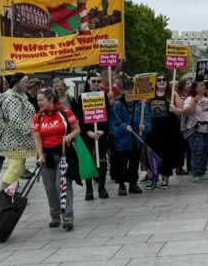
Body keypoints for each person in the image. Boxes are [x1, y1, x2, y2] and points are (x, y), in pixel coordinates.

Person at [32, 87, 81, 231]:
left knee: (63, 185)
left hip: (64, 154)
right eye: (38, 100)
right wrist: (40, 155)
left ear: (51, 100)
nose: (39, 103)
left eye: (41, 100)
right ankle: (54, 215)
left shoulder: (65, 112)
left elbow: (77, 129)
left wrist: (69, 137)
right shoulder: (38, 117)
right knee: (49, 187)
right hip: (47, 156)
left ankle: (68, 217)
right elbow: (37, 139)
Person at [110, 80, 152, 193]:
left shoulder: (140, 104)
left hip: (136, 138)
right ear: (123, 90)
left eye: (132, 89)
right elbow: (114, 121)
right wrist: (124, 126)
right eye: (127, 89)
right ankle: (122, 184)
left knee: (134, 162)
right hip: (122, 140)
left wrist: (145, 126)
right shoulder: (118, 104)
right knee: (122, 162)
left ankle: (133, 183)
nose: (130, 91)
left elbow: (147, 118)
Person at [0, 73, 35, 188]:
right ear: (18, 83)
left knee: (17, 168)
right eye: (26, 82)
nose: (28, 84)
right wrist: (30, 131)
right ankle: (4, 198)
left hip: (16, 139)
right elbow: (15, 120)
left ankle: (10, 196)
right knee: (14, 168)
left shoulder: (17, 96)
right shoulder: (13, 98)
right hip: (15, 140)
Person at [73, 72, 110, 200]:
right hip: (87, 133)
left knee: (102, 160)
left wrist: (102, 131)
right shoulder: (81, 97)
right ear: (88, 81)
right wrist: (88, 132)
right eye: (93, 81)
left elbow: (107, 116)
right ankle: (89, 189)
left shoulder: (103, 96)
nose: (96, 84)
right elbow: (80, 117)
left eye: (98, 81)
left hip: (101, 133)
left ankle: (102, 187)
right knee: (88, 161)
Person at [148, 73, 185, 188]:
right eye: (159, 80)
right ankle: (153, 177)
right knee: (153, 153)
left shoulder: (172, 93)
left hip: (169, 130)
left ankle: (165, 176)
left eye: (164, 79)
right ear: (155, 82)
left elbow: (182, 111)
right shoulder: (149, 95)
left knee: (167, 154)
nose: (162, 81)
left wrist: (174, 110)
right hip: (153, 130)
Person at [183, 79, 208, 183]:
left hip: (207, 130)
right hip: (196, 130)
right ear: (195, 88)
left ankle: (202, 173)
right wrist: (194, 102)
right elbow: (188, 112)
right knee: (197, 151)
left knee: (204, 151)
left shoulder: (207, 98)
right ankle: (196, 174)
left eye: (203, 85)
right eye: (201, 85)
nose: (203, 87)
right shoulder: (190, 98)